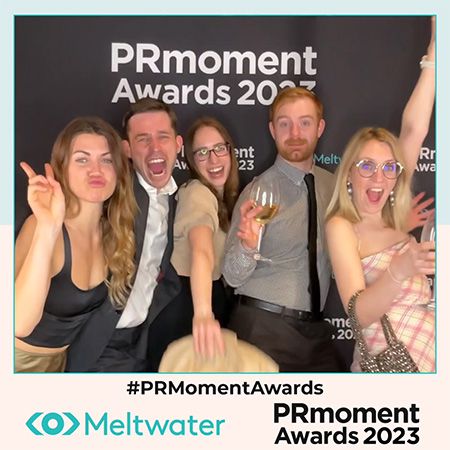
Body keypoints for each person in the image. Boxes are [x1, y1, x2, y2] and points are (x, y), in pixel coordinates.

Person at [325, 22, 435, 372]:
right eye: (367, 166)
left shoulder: (392, 215)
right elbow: (357, 314)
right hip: (393, 376)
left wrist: (435, 53)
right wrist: (399, 270)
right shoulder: (342, 226)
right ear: (349, 173)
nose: (379, 177)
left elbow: (415, 129)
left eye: (389, 168)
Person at [222, 85, 344, 372]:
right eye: (285, 124)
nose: (295, 133)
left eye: (305, 122)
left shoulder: (333, 188)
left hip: (314, 332)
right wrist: (247, 247)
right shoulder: (259, 192)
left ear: (320, 128)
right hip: (263, 329)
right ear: (273, 130)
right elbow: (231, 276)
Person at [66, 98, 188, 372]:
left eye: (163, 137)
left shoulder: (176, 198)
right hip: (97, 344)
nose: (155, 147)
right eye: (143, 139)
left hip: (139, 344)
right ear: (127, 149)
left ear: (178, 144)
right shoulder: (109, 192)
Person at [15, 116, 136, 372]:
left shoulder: (114, 233)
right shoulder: (42, 226)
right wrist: (47, 227)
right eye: (82, 159)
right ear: (63, 168)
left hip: (60, 366)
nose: (96, 170)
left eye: (106, 160)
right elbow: (19, 324)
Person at [170, 117, 239, 357]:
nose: (213, 159)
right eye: (202, 153)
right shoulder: (197, 193)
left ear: (230, 151)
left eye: (219, 148)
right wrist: (203, 315)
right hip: (188, 308)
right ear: (192, 161)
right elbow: (201, 251)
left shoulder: (223, 201)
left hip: (203, 302)